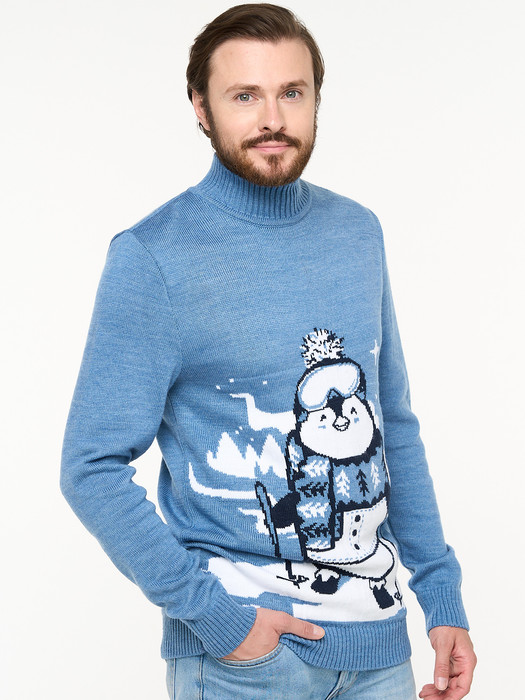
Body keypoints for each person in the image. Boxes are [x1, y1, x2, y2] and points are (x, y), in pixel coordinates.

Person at [60, 4, 476, 699]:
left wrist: (442, 595)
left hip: (380, 652)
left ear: (316, 98)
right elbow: (90, 467)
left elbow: (392, 426)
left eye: (292, 92)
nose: (273, 119)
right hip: (241, 667)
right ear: (201, 107)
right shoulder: (152, 257)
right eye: (244, 96)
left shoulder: (358, 234)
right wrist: (215, 618)